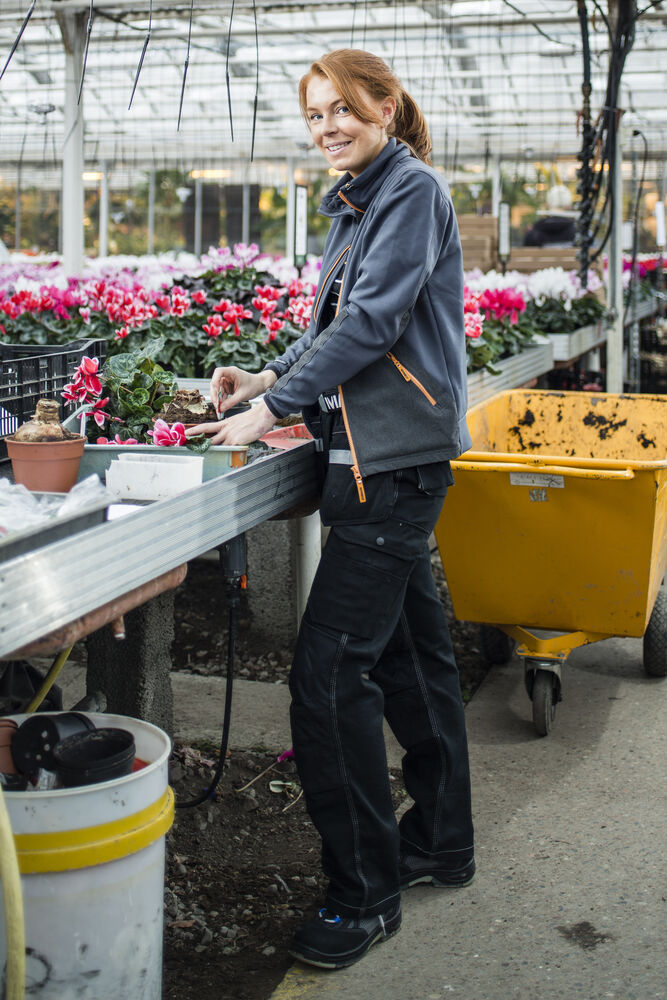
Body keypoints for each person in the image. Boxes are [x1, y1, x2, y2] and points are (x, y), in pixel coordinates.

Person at [187, 48, 475, 971]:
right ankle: (440, 839)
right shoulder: (362, 200)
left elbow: (374, 323)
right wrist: (266, 378)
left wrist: (269, 413)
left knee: (326, 678)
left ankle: (364, 895)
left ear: (384, 106)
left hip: (386, 472)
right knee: (410, 661)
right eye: (313, 116)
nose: (326, 129)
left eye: (341, 110)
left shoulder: (411, 191)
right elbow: (334, 330)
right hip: (381, 462)